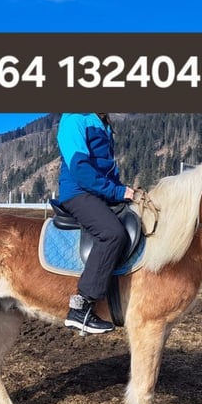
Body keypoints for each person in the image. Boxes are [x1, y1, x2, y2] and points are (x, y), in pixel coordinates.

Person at [56, 113, 135, 334]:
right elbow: (80, 168)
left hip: (98, 192)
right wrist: (116, 191)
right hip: (78, 192)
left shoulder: (101, 123)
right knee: (112, 233)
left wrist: (122, 191)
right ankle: (81, 307)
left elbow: (106, 168)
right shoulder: (74, 118)